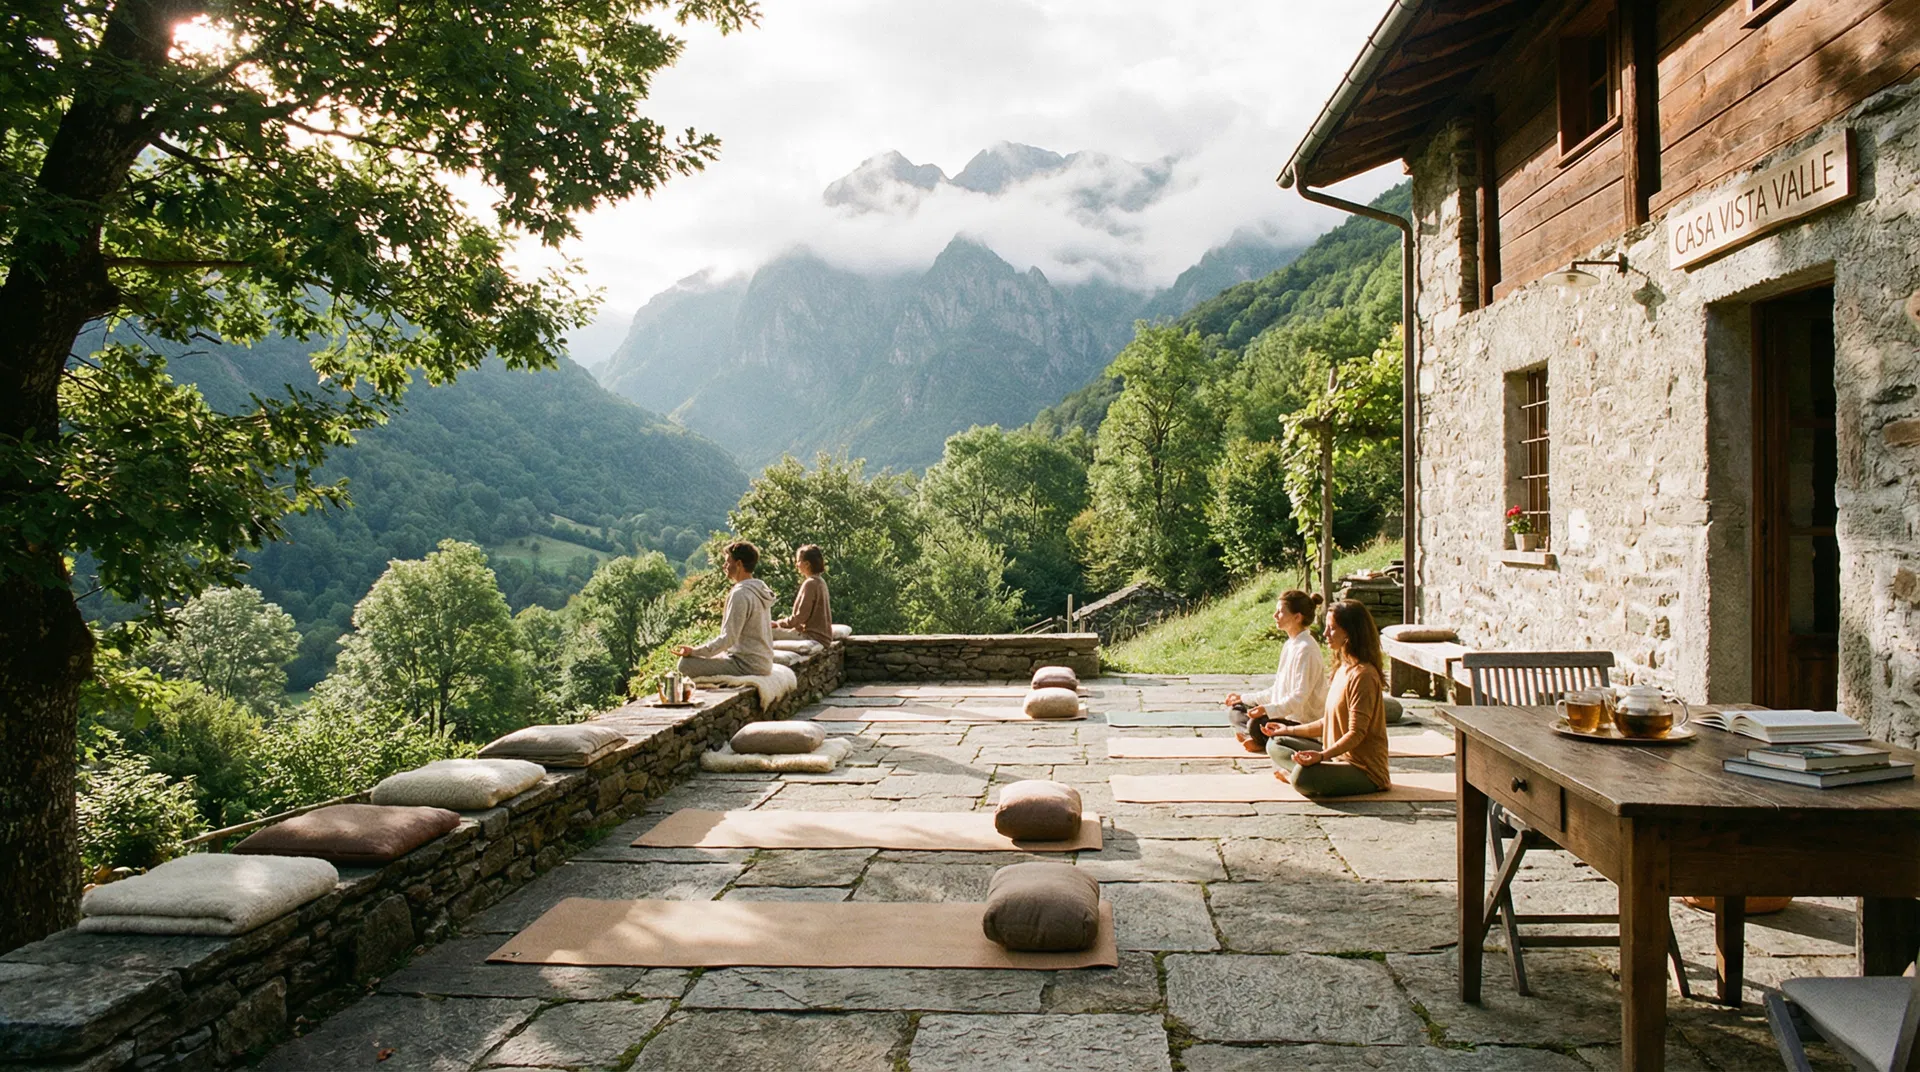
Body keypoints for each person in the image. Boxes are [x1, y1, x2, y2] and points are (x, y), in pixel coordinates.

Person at [1264, 598, 1391, 798]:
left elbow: (1356, 733)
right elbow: (1328, 722)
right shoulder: (1343, 668)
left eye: (1332, 629)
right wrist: (1287, 730)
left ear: (1349, 632)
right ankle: (1309, 772)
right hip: (1333, 756)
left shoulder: (1363, 675)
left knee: (1303, 776)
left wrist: (1322, 756)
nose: (1325, 634)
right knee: (1276, 742)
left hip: (1363, 770)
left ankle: (1300, 774)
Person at [1222, 590, 1327, 755]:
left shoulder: (1306, 649)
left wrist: (1267, 710)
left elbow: (1299, 698)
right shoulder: (1290, 645)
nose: (1275, 615)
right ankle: (1258, 738)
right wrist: (1243, 698)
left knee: (1255, 724)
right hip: (1280, 714)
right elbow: (1277, 691)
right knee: (1237, 710)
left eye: (1280, 612)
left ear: (1297, 617)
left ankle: (1257, 738)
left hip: (1300, 722)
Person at [673, 541, 776, 678]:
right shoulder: (759, 588)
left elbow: (728, 639)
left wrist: (694, 651)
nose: (724, 566)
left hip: (748, 664)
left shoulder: (741, 593)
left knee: (685, 664)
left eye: (727, 562)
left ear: (739, 564)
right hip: (763, 662)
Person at [772, 543, 834, 645]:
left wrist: (779, 623)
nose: (796, 565)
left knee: (768, 632)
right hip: (821, 636)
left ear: (807, 564)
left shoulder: (810, 583)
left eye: (798, 561)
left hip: (812, 636)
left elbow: (800, 617)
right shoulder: (820, 581)